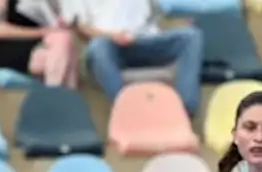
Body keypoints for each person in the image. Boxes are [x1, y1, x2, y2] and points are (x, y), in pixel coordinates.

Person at [63, 0, 204, 117]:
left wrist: (176, 24)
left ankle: (185, 110)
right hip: (110, 45)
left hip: (146, 39)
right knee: (98, 46)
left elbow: (158, 17)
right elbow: (81, 28)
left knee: (191, 36)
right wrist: (113, 36)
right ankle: (124, 109)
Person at [0, 0, 79, 88]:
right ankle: (57, 98)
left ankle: (56, 96)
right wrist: (44, 31)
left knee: (66, 40)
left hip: (40, 47)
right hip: (9, 47)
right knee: (63, 43)